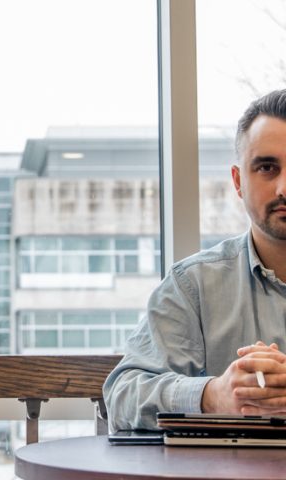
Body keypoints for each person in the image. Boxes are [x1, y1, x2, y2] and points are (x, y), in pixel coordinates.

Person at [103, 89, 286, 432]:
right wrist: (213, 395)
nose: (284, 188)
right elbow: (123, 395)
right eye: (267, 167)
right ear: (238, 181)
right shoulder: (194, 285)